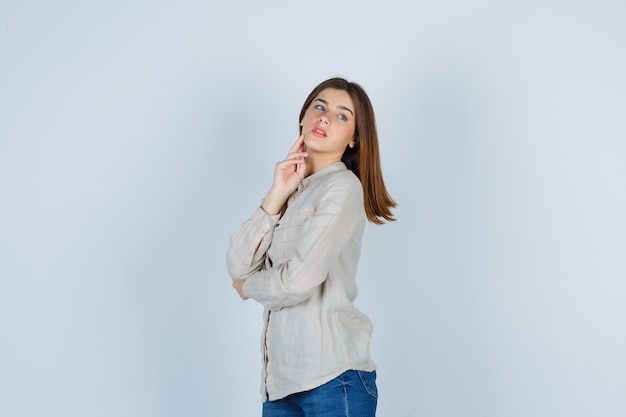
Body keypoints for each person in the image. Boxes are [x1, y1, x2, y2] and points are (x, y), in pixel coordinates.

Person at [226, 77, 396, 417]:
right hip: (280, 386)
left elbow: (297, 281)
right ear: (302, 117)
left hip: (333, 379)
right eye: (319, 107)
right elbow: (237, 265)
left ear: (354, 139)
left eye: (342, 115)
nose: (326, 117)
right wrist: (276, 195)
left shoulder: (342, 188)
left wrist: (249, 288)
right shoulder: (293, 191)